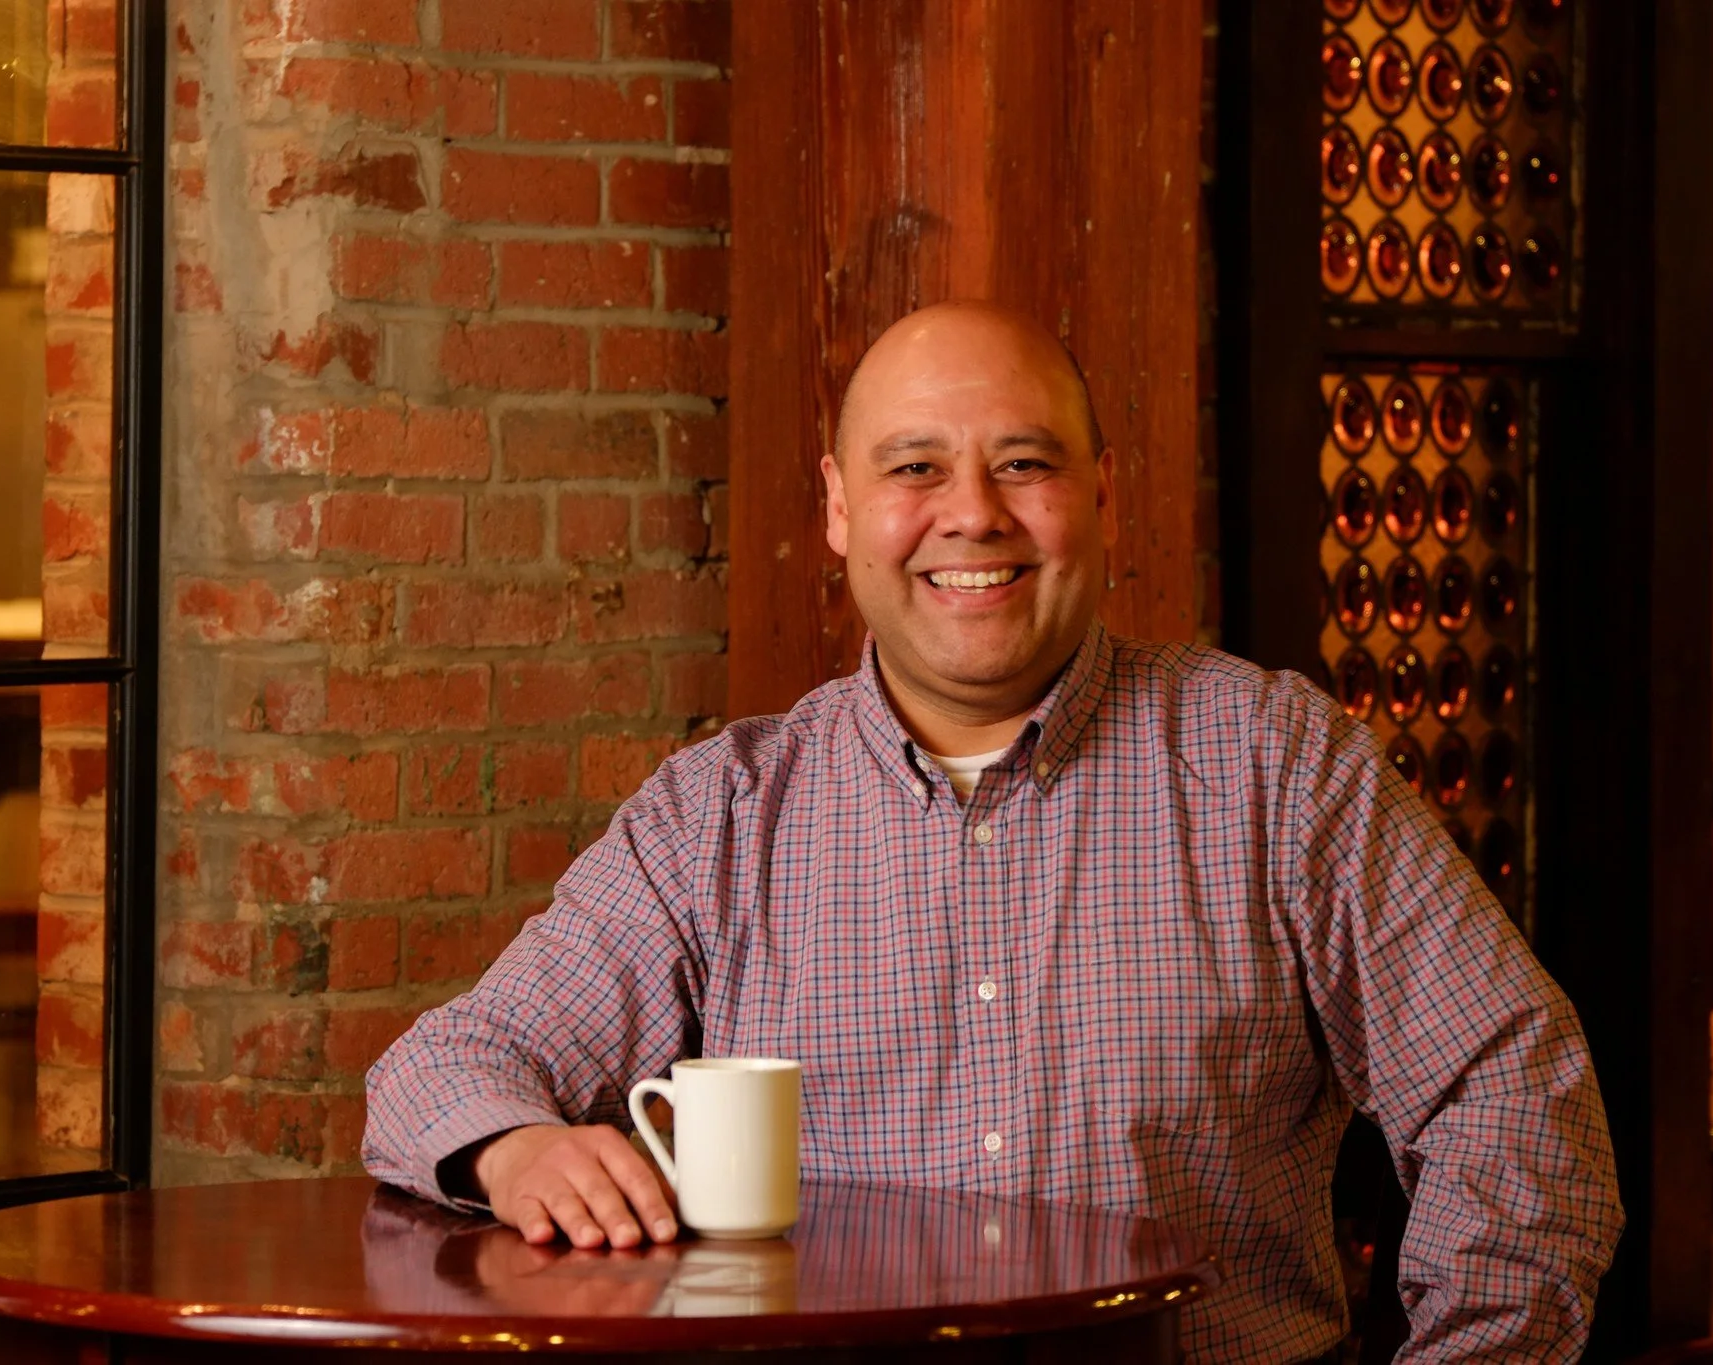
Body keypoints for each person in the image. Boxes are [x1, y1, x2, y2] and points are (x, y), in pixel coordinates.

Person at [364, 301, 1624, 1361]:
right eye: (913, 467)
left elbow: (1507, 1090)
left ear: (1099, 493)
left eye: (1022, 462)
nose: (971, 513)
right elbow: (442, 1065)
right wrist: (516, 1149)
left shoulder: (1275, 766)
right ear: (840, 509)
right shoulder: (720, 815)